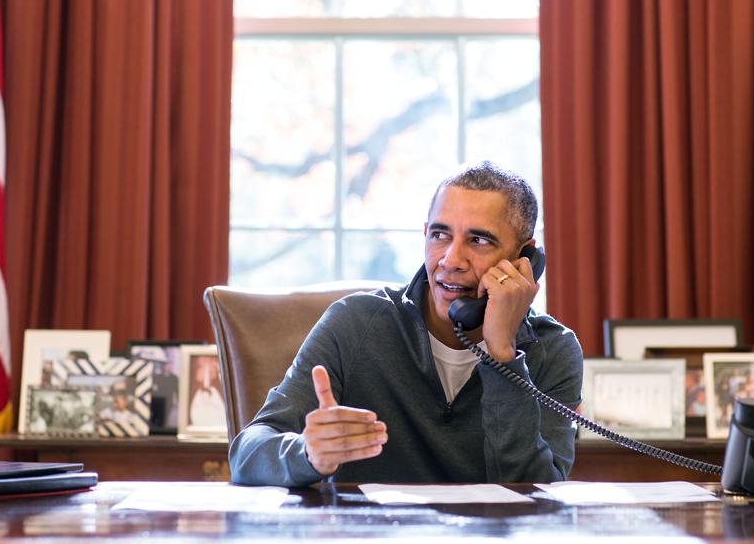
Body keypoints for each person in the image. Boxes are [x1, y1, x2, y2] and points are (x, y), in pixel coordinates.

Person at [229, 161, 584, 486]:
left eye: (478, 240)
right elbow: (247, 454)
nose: (450, 259)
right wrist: (307, 452)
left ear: (524, 258)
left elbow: (534, 493)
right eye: (440, 235)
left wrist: (502, 354)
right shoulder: (355, 323)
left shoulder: (553, 349)